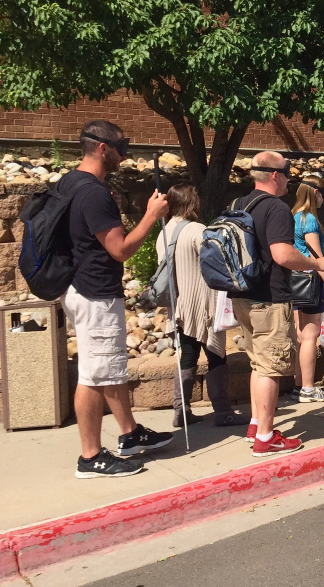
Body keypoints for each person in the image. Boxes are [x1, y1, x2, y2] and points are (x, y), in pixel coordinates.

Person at [61, 120, 174, 479]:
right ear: (102, 148)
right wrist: (151, 217)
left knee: (108, 370)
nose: (125, 155)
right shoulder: (93, 193)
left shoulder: (70, 183)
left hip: (81, 287)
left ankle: (129, 433)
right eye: (121, 147)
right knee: (94, 376)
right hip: (95, 293)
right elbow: (121, 249)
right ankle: (90, 457)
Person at [230, 151, 324, 456]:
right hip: (269, 299)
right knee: (271, 367)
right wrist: (317, 263)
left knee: (258, 364)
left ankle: (255, 424)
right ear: (275, 175)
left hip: (242, 296)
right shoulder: (275, 208)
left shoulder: (239, 204)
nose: (288, 179)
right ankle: (265, 437)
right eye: (286, 173)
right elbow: (283, 255)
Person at [156, 183, 248, 428]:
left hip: (179, 305)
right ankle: (223, 411)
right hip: (204, 303)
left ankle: (181, 410)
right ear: (190, 204)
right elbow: (214, 264)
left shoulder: (163, 232)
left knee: (187, 357)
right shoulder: (198, 230)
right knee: (216, 356)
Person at [291, 175, 324, 403]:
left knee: (301, 336)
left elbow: (303, 246)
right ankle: (308, 389)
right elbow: (316, 257)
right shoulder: (309, 219)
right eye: (323, 194)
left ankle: (299, 385)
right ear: (316, 193)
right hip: (311, 282)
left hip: (296, 281)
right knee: (310, 336)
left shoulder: (295, 217)